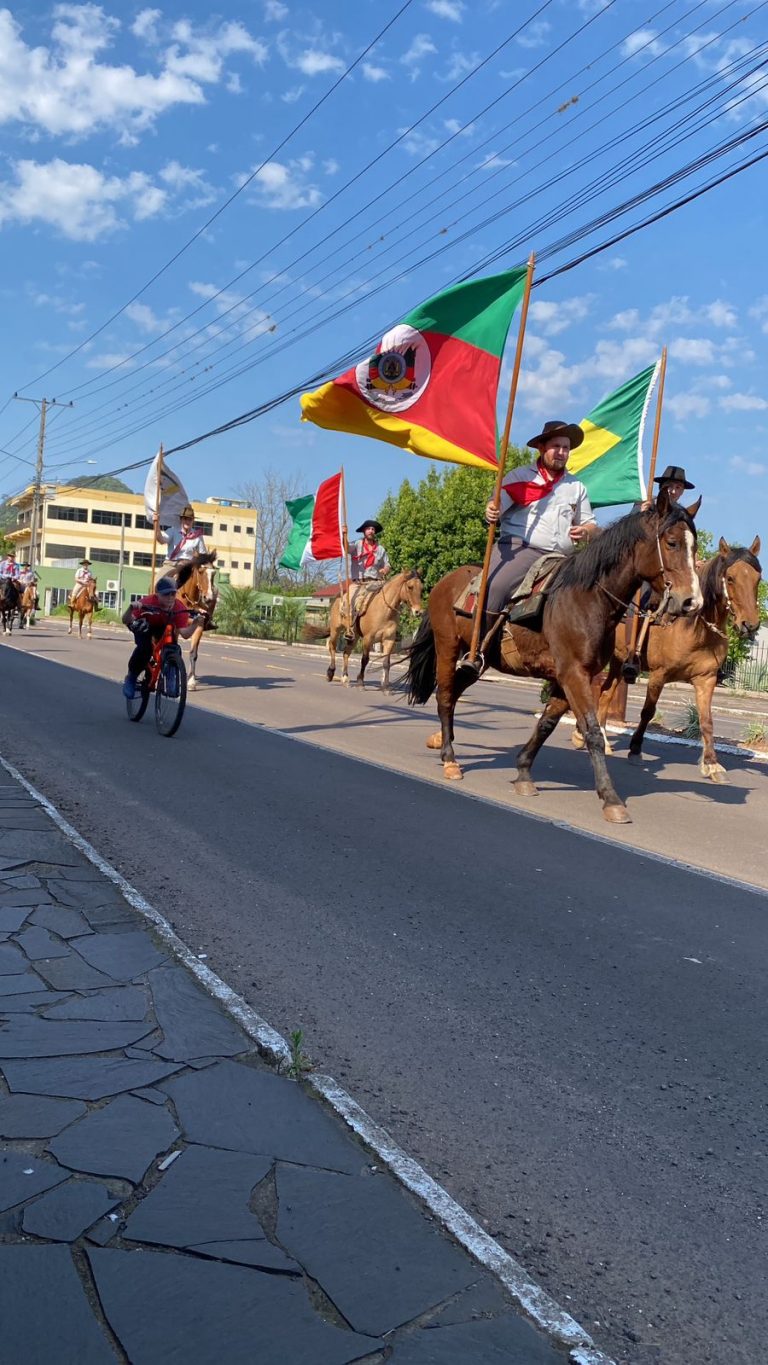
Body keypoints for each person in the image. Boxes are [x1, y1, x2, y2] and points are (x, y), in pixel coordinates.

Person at [484, 420, 599, 614]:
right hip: (521, 549)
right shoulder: (520, 477)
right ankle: (484, 642)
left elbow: (590, 524)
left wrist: (585, 531)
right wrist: (491, 509)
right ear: (541, 447)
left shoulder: (576, 486)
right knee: (495, 587)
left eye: (566, 448)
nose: (562, 452)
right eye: (556, 447)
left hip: (564, 558)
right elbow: (497, 504)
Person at [623, 464, 697, 681]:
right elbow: (627, 535)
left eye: (678, 487)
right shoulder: (644, 505)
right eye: (670, 487)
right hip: (643, 568)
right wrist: (641, 513)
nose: (674, 491)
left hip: (673, 569)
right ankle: (631, 654)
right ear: (661, 488)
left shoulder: (682, 515)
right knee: (640, 599)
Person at [121, 576, 201, 699]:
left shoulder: (179, 608)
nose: (170, 598)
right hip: (146, 626)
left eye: (173, 594)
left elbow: (184, 634)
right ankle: (131, 677)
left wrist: (195, 624)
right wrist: (131, 608)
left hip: (164, 627)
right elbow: (126, 620)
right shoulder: (147, 602)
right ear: (157, 594)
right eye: (165, 595)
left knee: (174, 648)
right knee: (145, 649)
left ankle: (170, 678)